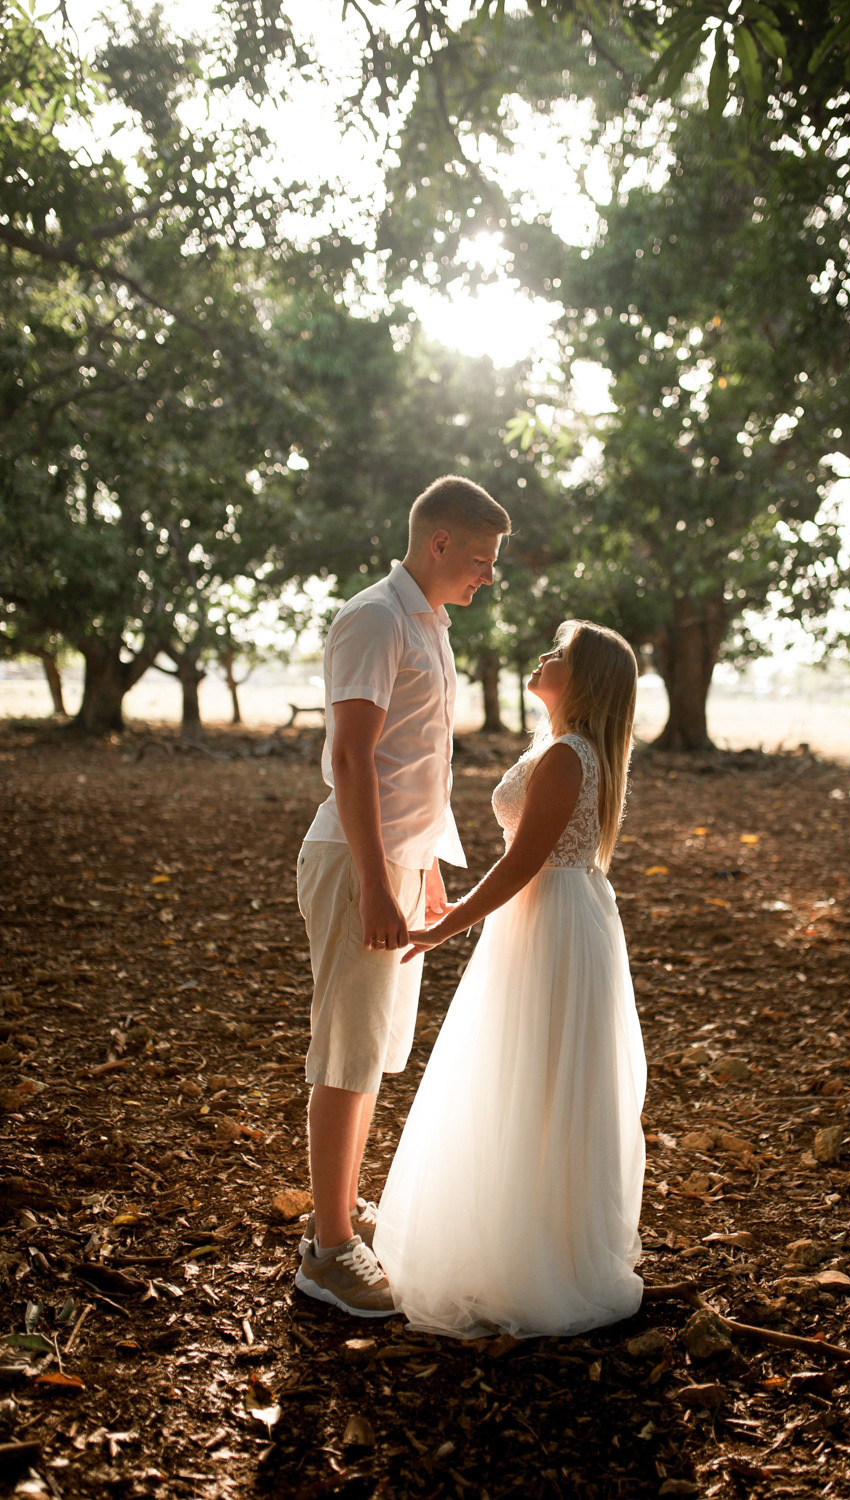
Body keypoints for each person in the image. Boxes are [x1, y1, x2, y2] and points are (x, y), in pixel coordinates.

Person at [374, 620, 646, 1338]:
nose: (544, 656)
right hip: (546, 917)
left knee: (536, 1075)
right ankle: (522, 1240)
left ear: (583, 681)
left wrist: (445, 926)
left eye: (560, 654)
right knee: (524, 1074)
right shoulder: (561, 748)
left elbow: (523, 862)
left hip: (550, 920)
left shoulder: (567, 756)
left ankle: (536, 1258)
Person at [294, 476, 511, 1316]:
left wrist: (427, 865)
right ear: (440, 542)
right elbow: (352, 757)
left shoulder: (429, 623)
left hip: (400, 863)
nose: (489, 575)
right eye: (481, 559)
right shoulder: (375, 618)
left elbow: (416, 762)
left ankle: (342, 1212)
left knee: (375, 1052)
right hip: (359, 863)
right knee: (346, 1053)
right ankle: (328, 1251)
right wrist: (377, 880)